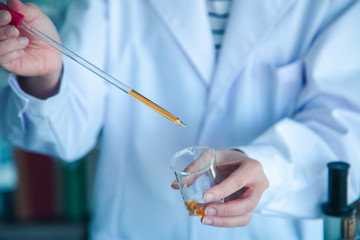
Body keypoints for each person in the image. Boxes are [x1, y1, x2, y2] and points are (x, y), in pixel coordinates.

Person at [0, 0, 360, 239]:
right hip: (139, 227)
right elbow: (66, 135)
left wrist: (273, 167)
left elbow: (347, 125)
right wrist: (46, 78)